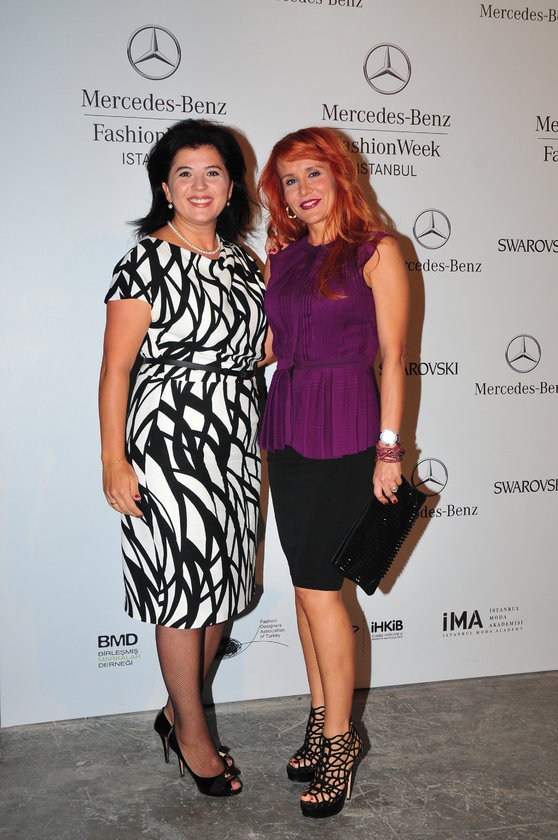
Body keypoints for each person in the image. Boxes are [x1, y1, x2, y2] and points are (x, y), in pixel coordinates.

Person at [99, 119, 266, 797]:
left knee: (222, 587)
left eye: (213, 173)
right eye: (185, 174)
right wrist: (114, 460)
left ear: (231, 187)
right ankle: (193, 736)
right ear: (165, 188)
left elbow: (257, 349)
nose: (200, 186)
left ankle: (177, 711)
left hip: (236, 443)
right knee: (182, 593)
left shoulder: (245, 265)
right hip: (168, 445)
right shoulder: (143, 261)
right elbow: (116, 370)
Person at [257, 127, 409, 818]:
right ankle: (322, 719)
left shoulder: (377, 251)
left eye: (312, 173)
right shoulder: (283, 257)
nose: (302, 190)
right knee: (304, 590)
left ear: (340, 175)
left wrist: (389, 450)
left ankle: (342, 744)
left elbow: (395, 357)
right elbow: (271, 345)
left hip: (347, 426)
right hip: (288, 425)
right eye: (289, 181)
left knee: (323, 593)